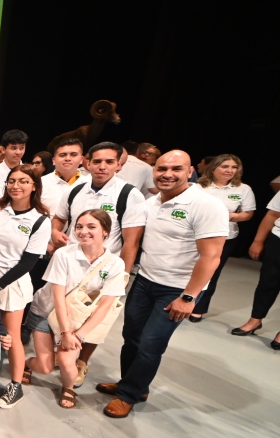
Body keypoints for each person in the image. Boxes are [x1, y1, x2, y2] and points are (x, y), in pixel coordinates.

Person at [98, 150, 227, 418]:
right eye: (161, 169)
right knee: (130, 337)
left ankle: (128, 395)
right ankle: (133, 384)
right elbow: (132, 243)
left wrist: (189, 297)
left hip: (178, 289)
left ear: (190, 171)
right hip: (145, 281)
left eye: (176, 169)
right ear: (153, 171)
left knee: (150, 344)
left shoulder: (206, 205)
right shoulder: (149, 203)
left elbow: (211, 256)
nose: (167, 174)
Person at [50, 141, 146, 387]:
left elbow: (131, 242)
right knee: (65, 311)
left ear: (119, 164)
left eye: (109, 162)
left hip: (104, 270)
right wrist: (55, 232)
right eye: (97, 161)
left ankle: (81, 359)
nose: (102, 167)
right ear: (87, 163)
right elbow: (59, 218)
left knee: (95, 318)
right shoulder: (76, 190)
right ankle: (65, 348)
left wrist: (120, 278)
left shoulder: (128, 195)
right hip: (71, 263)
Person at [25, 210, 127, 409]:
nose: (83, 231)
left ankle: (68, 387)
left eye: (91, 227)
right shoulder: (64, 254)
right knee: (45, 368)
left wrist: (78, 336)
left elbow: (106, 305)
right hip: (47, 312)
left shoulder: (115, 264)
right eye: (79, 226)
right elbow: (58, 296)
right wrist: (65, 333)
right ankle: (28, 363)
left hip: (76, 318)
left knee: (66, 360)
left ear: (105, 231)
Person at [0, 164, 50, 409]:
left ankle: (15, 385)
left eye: (23, 181)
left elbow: (29, 260)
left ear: (34, 186)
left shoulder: (40, 220)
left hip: (10, 285)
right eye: (12, 181)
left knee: (10, 335)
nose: (16, 185)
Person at [190, 154, 256, 322]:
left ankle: (198, 308)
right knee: (187, 269)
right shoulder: (198, 187)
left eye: (234, 167)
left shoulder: (243, 189)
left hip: (225, 237)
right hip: (195, 236)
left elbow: (248, 214)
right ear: (214, 168)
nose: (230, 171)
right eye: (225, 166)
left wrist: (230, 216)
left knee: (211, 273)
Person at [232, 190, 280, 350]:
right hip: (278, 239)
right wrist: (258, 241)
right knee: (267, 283)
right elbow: (273, 215)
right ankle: (255, 320)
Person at [39, 139, 85, 216]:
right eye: (62, 155)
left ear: (81, 159)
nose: (68, 158)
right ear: (53, 160)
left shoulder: (90, 183)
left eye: (73, 154)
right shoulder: (40, 183)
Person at [0, 130, 28, 201]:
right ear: (3, 149)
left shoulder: (29, 173)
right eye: (13, 148)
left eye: (21, 148)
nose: (18, 152)